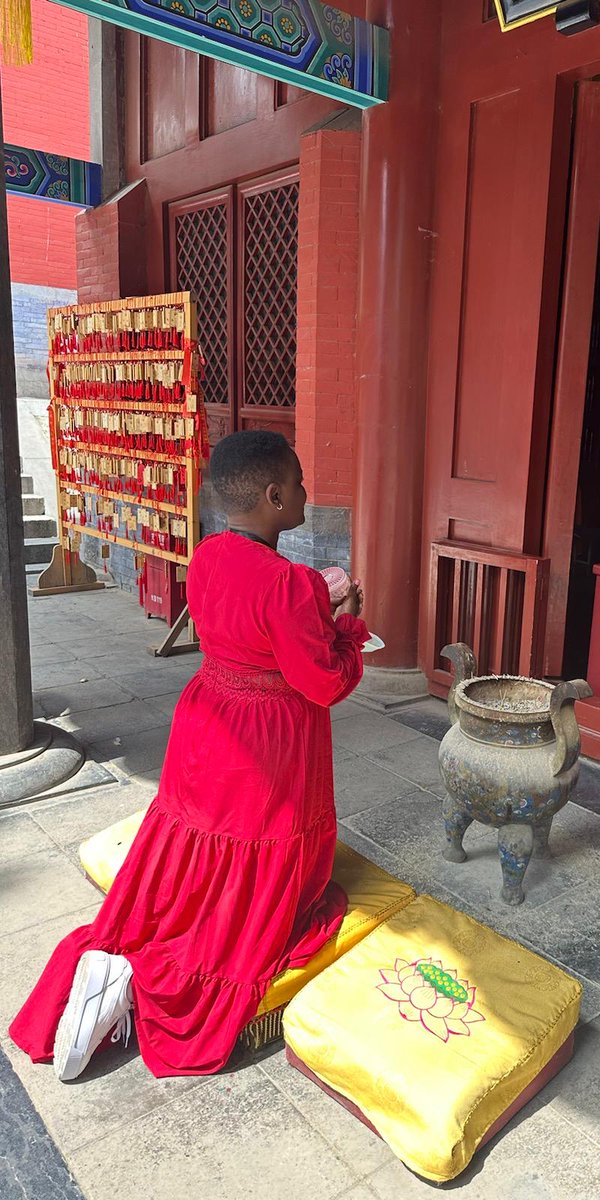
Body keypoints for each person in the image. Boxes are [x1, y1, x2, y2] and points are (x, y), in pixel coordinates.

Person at [10, 430, 369, 1080]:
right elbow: (323, 681)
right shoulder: (292, 585)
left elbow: (235, 620)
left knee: (201, 839)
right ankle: (151, 982)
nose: (308, 493)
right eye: (300, 481)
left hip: (208, 718)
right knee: (262, 845)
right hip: (269, 738)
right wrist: (345, 625)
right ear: (274, 494)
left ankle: (117, 964)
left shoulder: (206, 555)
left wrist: (313, 608)